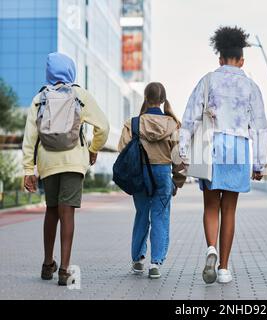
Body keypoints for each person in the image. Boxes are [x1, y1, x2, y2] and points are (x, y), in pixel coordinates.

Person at [179, 26, 267, 284]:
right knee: (229, 209)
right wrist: (259, 163)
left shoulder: (207, 80)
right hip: (239, 149)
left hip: (211, 146)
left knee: (210, 205)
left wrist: (183, 151)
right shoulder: (251, 86)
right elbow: (259, 126)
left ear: (219, 59)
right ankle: (225, 269)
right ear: (242, 60)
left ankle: (211, 249)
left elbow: (190, 118)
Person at [22, 52, 110, 286]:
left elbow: (29, 137)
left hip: (48, 162)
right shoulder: (80, 95)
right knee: (67, 212)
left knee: (51, 211)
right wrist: (93, 148)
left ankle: (47, 263)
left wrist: (28, 170)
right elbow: (104, 126)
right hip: (73, 162)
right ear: (71, 71)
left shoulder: (39, 97)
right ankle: (64, 269)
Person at [118, 82, 186, 279]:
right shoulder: (173, 125)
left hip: (140, 173)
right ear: (163, 100)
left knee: (142, 214)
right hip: (163, 174)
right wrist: (178, 180)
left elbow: (122, 148)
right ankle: (155, 263)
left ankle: (137, 260)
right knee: (160, 216)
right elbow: (179, 157)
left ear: (146, 99)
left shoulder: (133, 123)